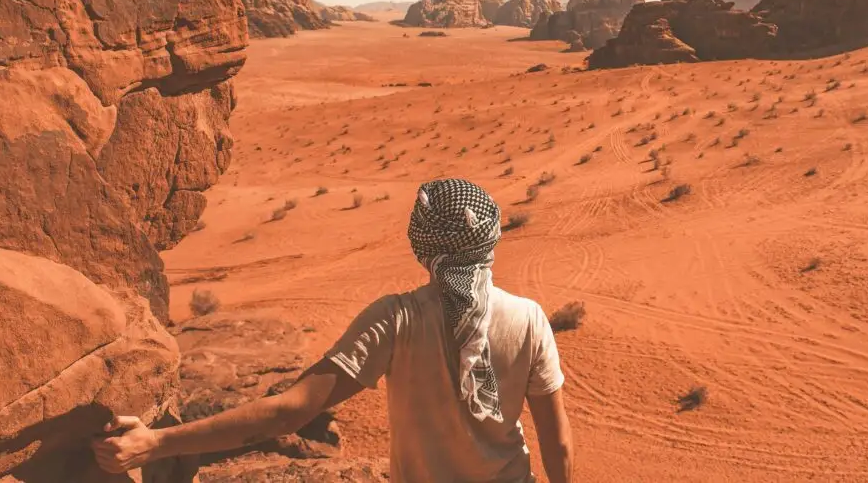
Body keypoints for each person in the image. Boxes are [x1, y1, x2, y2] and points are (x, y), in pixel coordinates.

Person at [92, 178, 574, 483]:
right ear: (490, 238)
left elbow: (289, 412)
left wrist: (156, 443)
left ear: (420, 243)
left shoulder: (396, 319)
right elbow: (557, 445)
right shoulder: (530, 319)